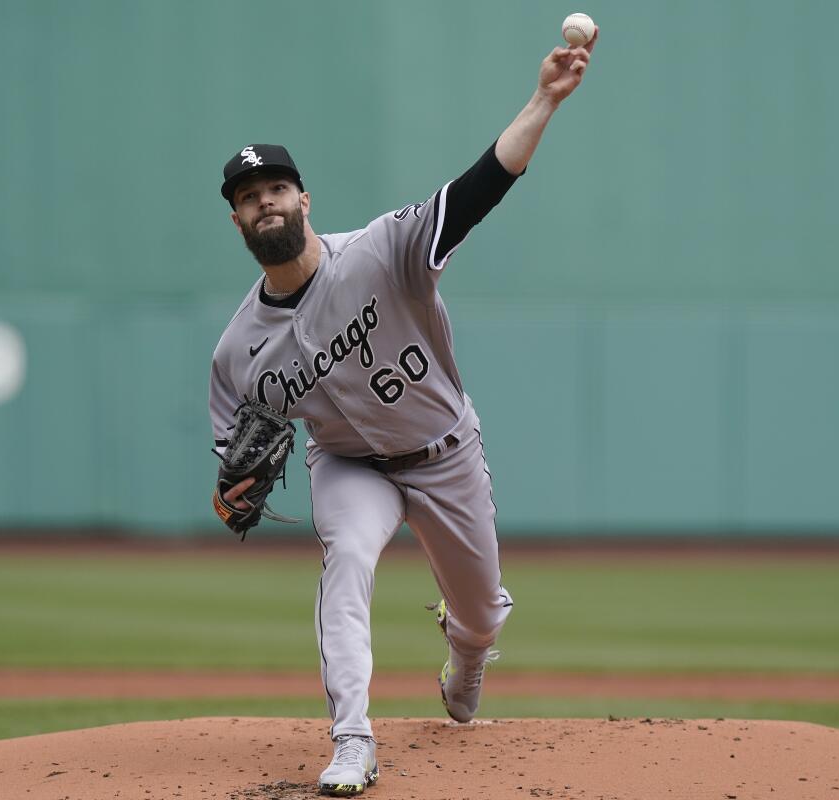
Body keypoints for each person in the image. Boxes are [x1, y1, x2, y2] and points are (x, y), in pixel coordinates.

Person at [207, 32, 598, 797]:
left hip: (445, 451)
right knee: (346, 558)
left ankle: (469, 650)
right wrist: (229, 491)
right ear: (238, 222)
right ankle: (352, 739)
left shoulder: (386, 249)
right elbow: (232, 458)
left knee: (482, 612)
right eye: (249, 198)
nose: (265, 202)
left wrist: (544, 99)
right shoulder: (236, 353)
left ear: (304, 199)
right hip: (350, 464)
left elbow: (481, 186)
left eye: (277, 189)